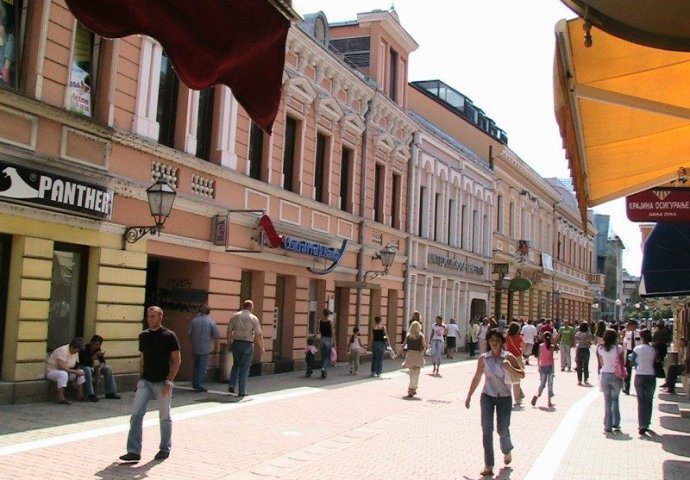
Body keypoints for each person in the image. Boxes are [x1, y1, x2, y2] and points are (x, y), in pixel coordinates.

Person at [119, 306, 181, 462]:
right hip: (146, 381)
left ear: (161, 317)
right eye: (149, 316)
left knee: (164, 416)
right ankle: (134, 451)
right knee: (136, 415)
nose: (150, 319)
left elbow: (177, 361)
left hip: (162, 381)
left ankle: (164, 449)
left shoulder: (169, 336)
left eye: (153, 316)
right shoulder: (144, 335)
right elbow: (143, 358)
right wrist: (139, 377)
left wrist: (169, 381)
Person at [466, 330, 524, 477]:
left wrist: (509, 367)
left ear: (501, 342)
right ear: (488, 342)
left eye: (497, 339)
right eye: (492, 340)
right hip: (488, 396)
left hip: (504, 397)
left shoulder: (508, 356)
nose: (494, 342)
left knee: (502, 429)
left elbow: (521, 374)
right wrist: (469, 395)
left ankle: (506, 450)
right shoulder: (484, 358)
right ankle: (489, 464)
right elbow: (478, 376)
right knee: (486, 430)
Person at [227, 300, 264, 395]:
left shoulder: (234, 316)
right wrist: (261, 347)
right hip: (247, 344)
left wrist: (229, 343)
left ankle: (232, 385)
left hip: (236, 343)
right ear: (251, 307)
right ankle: (242, 390)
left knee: (236, 365)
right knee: (245, 368)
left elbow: (229, 331)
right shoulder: (253, 318)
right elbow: (258, 334)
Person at [597, 329, 624, 433]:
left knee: (607, 401)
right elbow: (623, 362)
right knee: (615, 399)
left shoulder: (600, 348)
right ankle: (616, 423)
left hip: (605, 374)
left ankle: (607, 426)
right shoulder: (619, 348)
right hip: (616, 375)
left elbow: (601, 362)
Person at [188, 305, 220, 392]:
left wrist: (191, 345)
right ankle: (199, 384)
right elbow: (216, 336)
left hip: (195, 347)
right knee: (202, 367)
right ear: (208, 312)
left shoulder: (194, 321)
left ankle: (195, 383)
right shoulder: (211, 322)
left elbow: (190, 334)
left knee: (196, 366)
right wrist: (216, 348)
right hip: (205, 347)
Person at [78, 334, 121, 402]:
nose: (95, 346)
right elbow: (84, 363)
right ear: (91, 342)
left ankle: (110, 392)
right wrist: (94, 356)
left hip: (93, 368)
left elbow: (103, 362)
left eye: (98, 345)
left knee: (108, 369)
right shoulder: (84, 349)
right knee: (87, 369)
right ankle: (91, 394)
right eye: (94, 344)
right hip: (84, 368)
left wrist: (99, 367)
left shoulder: (97, 349)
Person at [45, 337, 86, 404]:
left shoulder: (75, 353)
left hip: (68, 371)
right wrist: (74, 371)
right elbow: (61, 367)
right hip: (52, 371)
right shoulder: (63, 350)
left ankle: (80, 394)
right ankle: (61, 397)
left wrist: (77, 371)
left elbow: (76, 364)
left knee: (81, 372)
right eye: (77, 350)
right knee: (63, 374)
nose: (77, 352)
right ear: (73, 347)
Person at [632, 329, 657, 435]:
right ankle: (647, 423)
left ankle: (641, 424)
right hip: (651, 375)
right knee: (649, 400)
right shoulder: (653, 349)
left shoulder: (636, 348)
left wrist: (637, 364)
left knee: (641, 401)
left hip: (639, 375)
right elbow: (656, 361)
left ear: (641, 337)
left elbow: (632, 362)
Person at [399, 320, 426, 398]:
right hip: (418, 355)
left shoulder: (408, 336)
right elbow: (424, 346)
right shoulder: (421, 336)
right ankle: (412, 389)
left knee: (411, 374)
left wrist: (399, 354)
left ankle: (411, 389)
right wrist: (424, 352)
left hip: (410, 355)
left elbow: (403, 345)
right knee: (416, 374)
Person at [531, 331, 555, 408]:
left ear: (543, 338)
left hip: (542, 367)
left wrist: (539, 366)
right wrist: (553, 370)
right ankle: (549, 402)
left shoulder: (541, 346)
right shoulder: (551, 346)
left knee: (542, 384)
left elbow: (538, 357)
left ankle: (536, 395)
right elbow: (552, 359)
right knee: (550, 384)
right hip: (549, 367)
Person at [504, 321, 525, 407]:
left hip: (508, 357)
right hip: (517, 357)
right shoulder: (519, 337)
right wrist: (521, 354)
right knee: (517, 379)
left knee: (508, 378)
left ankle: (507, 398)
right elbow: (523, 347)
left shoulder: (506, 337)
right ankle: (518, 399)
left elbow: (505, 347)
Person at [622, 320, 641, 394]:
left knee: (638, 370)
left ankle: (639, 388)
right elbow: (625, 344)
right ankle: (627, 388)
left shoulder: (639, 333)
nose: (628, 327)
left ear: (634, 325)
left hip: (638, 352)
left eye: (630, 325)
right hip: (629, 351)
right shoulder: (627, 333)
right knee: (628, 370)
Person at [318, 308, 335, 379]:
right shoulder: (330, 322)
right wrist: (334, 341)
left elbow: (320, 330)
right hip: (328, 339)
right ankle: (324, 368)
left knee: (323, 355)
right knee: (327, 356)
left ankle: (324, 373)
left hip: (322, 339)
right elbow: (332, 332)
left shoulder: (320, 321)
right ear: (328, 314)